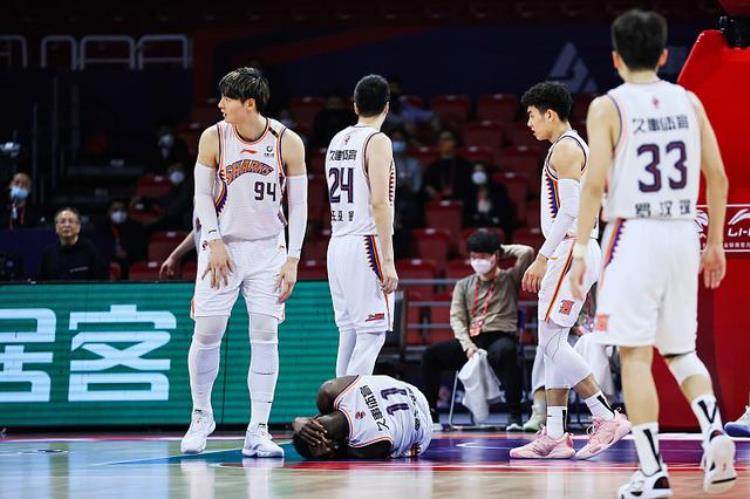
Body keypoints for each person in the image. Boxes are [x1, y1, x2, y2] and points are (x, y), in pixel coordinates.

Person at [569, 9, 735, 497]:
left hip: (634, 233)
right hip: (684, 232)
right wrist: (716, 243)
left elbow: (594, 182)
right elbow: (719, 177)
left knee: (635, 356)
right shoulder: (689, 101)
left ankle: (652, 471)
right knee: (683, 350)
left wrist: (581, 249)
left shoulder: (607, 106)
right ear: (665, 56)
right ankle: (714, 433)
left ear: (616, 58)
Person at [180, 67, 308, 459]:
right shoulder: (213, 136)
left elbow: (299, 205)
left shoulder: (287, 141)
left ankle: (258, 429)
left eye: (227, 99)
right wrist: (213, 239)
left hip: (269, 249)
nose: (219, 105)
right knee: (207, 331)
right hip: (224, 248)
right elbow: (202, 195)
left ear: (248, 104)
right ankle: (201, 416)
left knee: (265, 334)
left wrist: (293, 258)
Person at [510, 81, 631, 461]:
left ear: (549, 113)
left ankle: (605, 416)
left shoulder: (564, 148)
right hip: (578, 249)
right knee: (552, 345)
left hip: (570, 249)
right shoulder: (573, 146)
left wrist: (544, 256)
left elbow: (571, 210)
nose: (529, 124)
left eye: (531, 116)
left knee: (550, 343)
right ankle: (557, 433)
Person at [422, 231, 533, 430]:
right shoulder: (463, 285)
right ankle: (430, 415)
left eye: (482, 257)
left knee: (509, 352)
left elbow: (527, 252)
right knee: (431, 355)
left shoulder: (510, 278)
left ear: (495, 257)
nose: (477, 261)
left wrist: (499, 250)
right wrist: (467, 347)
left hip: (500, 338)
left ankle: (514, 416)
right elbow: (457, 319)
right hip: (472, 342)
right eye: (473, 257)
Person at [326, 75, 398, 378]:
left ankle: (333, 409)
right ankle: (348, 411)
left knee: (350, 332)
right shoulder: (377, 140)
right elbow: (379, 203)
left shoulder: (337, 139)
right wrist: (389, 260)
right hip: (364, 242)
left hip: (338, 241)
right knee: (372, 333)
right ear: (387, 107)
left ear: (355, 106)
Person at [291, 374, 432, 459]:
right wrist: (296, 421)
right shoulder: (329, 390)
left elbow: (340, 450)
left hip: (421, 423)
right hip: (414, 394)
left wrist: (332, 455)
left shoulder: (365, 445)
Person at [38, 207, 108, 281]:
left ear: (78, 227)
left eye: (71, 221)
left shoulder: (91, 251)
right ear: (56, 228)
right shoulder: (49, 254)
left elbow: (101, 282)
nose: (67, 225)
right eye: (62, 221)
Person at [100, 199, 147, 279]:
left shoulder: (136, 228)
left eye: (122, 210)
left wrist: (128, 254)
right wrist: (113, 253)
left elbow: (141, 251)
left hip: (130, 262)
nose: (119, 213)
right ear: (109, 212)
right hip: (109, 263)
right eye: (115, 210)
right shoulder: (101, 229)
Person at [422, 130, 473, 203]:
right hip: (439, 205)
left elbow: (469, 188)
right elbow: (427, 186)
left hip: (461, 203)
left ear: (454, 142)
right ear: (439, 143)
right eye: (443, 140)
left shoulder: (465, 165)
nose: (446, 142)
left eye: (448, 139)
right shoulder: (432, 168)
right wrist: (429, 190)